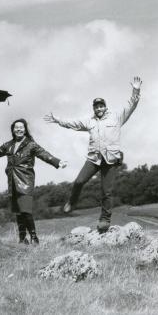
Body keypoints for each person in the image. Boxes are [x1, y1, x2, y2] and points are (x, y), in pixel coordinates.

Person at [44, 77, 142, 233]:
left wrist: (136, 89)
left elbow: (131, 104)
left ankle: (105, 220)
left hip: (110, 160)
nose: (99, 109)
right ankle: (72, 202)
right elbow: (73, 123)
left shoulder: (116, 117)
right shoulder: (89, 121)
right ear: (94, 109)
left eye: (101, 106)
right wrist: (57, 120)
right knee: (78, 182)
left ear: (105, 107)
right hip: (94, 159)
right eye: (96, 107)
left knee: (106, 192)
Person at [0, 119, 67, 244]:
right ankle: (22, 239)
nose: (19, 129)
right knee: (18, 212)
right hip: (12, 181)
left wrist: (57, 162)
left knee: (26, 210)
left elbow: (43, 154)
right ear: (13, 130)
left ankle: (34, 237)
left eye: (21, 127)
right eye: (16, 127)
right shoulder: (9, 144)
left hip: (25, 181)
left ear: (25, 129)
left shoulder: (31, 144)